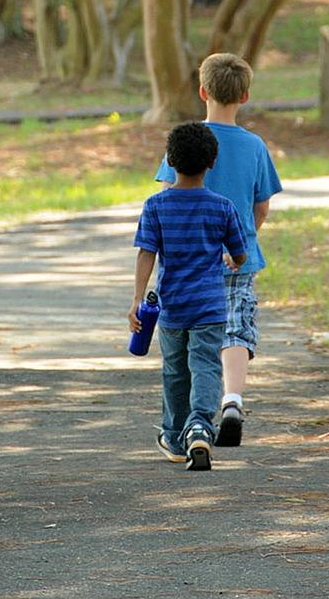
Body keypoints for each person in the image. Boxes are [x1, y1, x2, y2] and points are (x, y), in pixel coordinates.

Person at [154, 53, 282, 448]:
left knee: (192, 342)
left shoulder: (187, 139)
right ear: (244, 95)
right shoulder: (255, 146)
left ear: (202, 91)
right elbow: (262, 205)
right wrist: (239, 242)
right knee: (236, 328)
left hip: (190, 261)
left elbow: (167, 193)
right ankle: (232, 399)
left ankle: (188, 420)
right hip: (237, 260)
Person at [129, 121, 247, 471]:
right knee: (207, 367)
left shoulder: (155, 207)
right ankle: (200, 426)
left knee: (176, 371)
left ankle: (176, 436)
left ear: (170, 161)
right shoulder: (222, 207)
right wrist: (229, 258)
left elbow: (146, 253)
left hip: (172, 308)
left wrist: (137, 298)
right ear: (211, 163)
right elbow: (240, 253)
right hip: (210, 307)